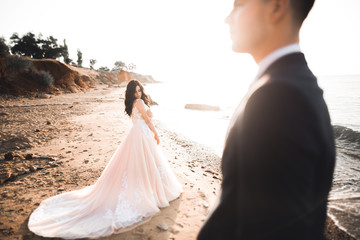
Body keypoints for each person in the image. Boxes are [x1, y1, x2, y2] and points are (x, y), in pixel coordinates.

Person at [198, 0, 335, 239]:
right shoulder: (283, 83)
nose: (227, 18)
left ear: (276, 7)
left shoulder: (281, 96)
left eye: (239, 4)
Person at [28, 79, 183, 239]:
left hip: (137, 133)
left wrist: (148, 117)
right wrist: (156, 133)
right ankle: (153, 190)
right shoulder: (138, 102)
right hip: (142, 134)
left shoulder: (133, 102)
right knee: (146, 163)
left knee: (141, 163)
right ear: (132, 93)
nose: (138, 93)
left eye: (139, 90)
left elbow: (142, 118)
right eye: (135, 91)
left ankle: (148, 188)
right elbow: (148, 119)